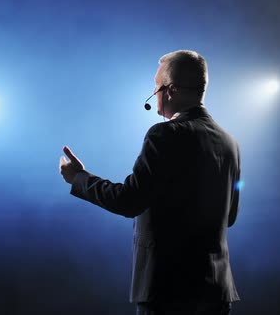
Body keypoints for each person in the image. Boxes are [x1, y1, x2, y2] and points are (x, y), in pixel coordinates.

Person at [59, 50, 241, 315]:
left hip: (168, 292)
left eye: (156, 86)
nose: (153, 92)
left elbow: (129, 200)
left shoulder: (164, 134)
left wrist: (79, 179)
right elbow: (230, 217)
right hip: (217, 293)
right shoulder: (230, 143)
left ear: (171, 90)